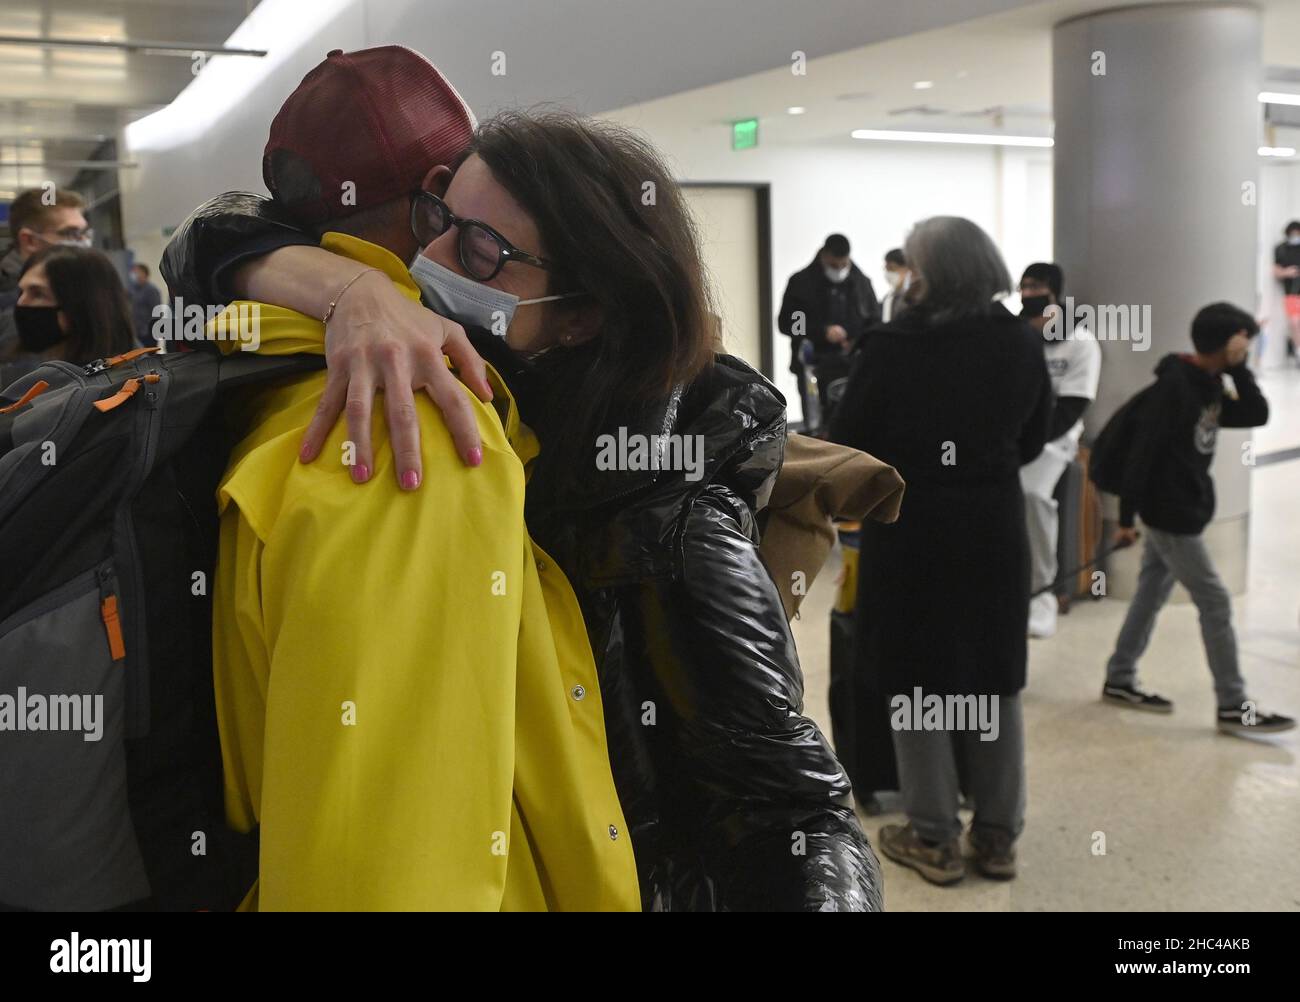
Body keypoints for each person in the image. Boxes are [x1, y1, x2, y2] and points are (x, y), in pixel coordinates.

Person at [162, 46, 882, 911]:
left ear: (583, 315)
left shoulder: (665, 508)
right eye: (436, 218)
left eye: (480, 247)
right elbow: (210, 235)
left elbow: (791, 806)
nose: (431, 260)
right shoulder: (444, 402)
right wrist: (350, 288)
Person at [182, 47, 640, 910]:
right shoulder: (412, 426)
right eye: (463, 225)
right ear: (441, 182)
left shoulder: (258, 354)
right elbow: (384, 870)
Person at [830, 216, 1052, 886]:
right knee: (992, 674)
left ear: (933, 272)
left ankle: (933, 837)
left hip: (913, 528)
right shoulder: (1019, 340)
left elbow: (851, 439)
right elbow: (1034, 437)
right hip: (991, 527)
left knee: (917, 675)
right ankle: (996, 837)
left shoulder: (893, 346)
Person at [1101, 302, 1295, 736]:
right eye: (1243, 341)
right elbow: (1141, 455)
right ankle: (1233, 704)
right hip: (1170, 513)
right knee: (1216, 602)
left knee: (1150, 592)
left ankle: (1120, 676)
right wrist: (1127, 518)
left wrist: (1238, 370)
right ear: (1229, 342)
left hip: (1184, 506)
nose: (1248, 347)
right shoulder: (1176, 389)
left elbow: (1255, 414)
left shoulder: (1208, 382)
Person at [1017, 263, 1101, 637]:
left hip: (1054, 440)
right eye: (1023, 286)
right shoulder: (1015, 335)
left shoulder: (1080, 342)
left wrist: (1029, 441)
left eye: (1035, 287)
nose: (1027, 294)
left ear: (1054, 293)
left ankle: (1042, 596)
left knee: (1033, 495)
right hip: (1012, 435)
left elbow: (1071, 407)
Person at [777, 233, 879, 430]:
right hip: (813, 367)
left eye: (843, 265)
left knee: (856, 426)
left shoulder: (861, 283)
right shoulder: (801, 283)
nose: (839, 271)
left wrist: (856, 340)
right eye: (834, 266)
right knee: (818, 427)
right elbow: (787, 323)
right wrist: (822, 332)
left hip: (853, 365)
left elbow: (874, 321)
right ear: (824, 256)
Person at [1, 245, 136, 384]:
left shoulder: (128, 384)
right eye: (21, 292)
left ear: (83, 304)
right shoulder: (16, 366)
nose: (20, 303)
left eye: (38, 294)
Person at [0, 187, 92, 366]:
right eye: (71, 233)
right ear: (30, 240)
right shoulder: (17, 307)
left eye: (85, 233)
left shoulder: (81, 287)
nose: (83, 242)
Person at [1273, 220, 1300, 362]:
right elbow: (1276, 271)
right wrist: (1286, 272)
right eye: (1293, 233)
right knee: (1295, 322)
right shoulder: (1281, 249)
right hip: (1292, 293)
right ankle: (1298, 351)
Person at [128, 262, 163, 349]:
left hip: (148, 333)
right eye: (134, 273)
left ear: (145, 274)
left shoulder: (152, 290)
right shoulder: (133, 289)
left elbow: (157, 312)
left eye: (138, 272)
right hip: (136, 332)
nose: (136, 275)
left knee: (149, 359)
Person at [880, 247, 910, 323]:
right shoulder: (888, 298)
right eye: (886, 269)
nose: (888, 273)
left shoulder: (914, 296)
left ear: (906, 268)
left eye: (892, 268)